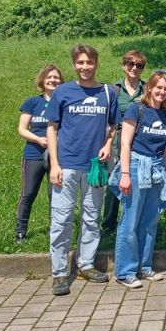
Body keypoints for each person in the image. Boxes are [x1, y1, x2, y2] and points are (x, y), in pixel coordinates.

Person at [45, 44, 119, 296]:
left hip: (94, 167)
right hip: (66, 165)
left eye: (89, 62)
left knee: (91, 216)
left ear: (96, 64)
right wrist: (54, 164)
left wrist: (108, 145)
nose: (85, 67)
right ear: (74, 65)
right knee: (61, 219)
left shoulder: (107, 92)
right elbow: (51, 128)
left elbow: (112, 126)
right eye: (80, 63)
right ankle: (59, 273)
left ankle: (86, 264)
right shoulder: (63, 92)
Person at [111, 72, 166, 289]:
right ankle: (125, 271)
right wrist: (126, 175)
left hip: (156, 169)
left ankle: (144, 267)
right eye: (158, 87)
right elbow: (125, 143)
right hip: (136, 167)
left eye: (165, 88)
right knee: (130, 221)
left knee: (149, 221)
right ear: (150, 88)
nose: (161, 91)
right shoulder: (136, 109)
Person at [15, 64, 64, 242]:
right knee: (28, 193)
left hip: (57, 157)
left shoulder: (64, 102)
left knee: (55, 196)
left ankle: (55, 231)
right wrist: (39, 140)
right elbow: (22, 129)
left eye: (56, 77)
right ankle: (20, 231)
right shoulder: (32, 102)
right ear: (42, 80)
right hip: (34, 154)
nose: (53, 80)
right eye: (49, 77)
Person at [101, 50, 147, 234]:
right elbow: (107, 118)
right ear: (123, 65)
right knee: (114, 182)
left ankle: (134, 223)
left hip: (140, 141)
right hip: (117, 141)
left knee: (137, 182)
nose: (134, 68)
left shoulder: (147, 90)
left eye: (139, 65)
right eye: (130, 63)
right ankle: (108, 224)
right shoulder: (114, 90)